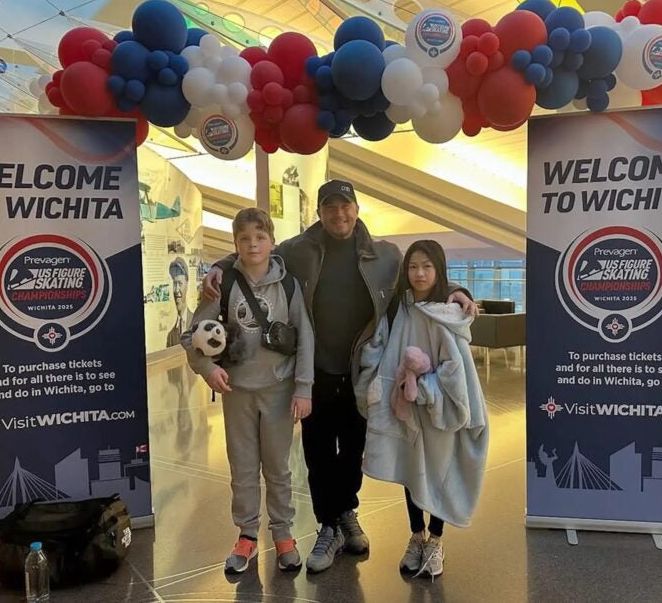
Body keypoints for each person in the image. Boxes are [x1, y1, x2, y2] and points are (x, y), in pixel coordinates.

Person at [204, 180, 478, 574]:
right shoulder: (298, 249)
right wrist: (220, 264)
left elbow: (419, 280)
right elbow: (255, 253)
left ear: (357, 208)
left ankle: (347, 513)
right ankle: (328, 525)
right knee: (316, 454)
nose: (339, 215)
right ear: (319, 211)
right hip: (313, 370)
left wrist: (459, 289)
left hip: (361, 371)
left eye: (345, 207)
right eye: (330, 208)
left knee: (352, 450)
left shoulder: (384, 254)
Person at [183, 208, 314, 574]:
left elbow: (306, 337)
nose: (252, 244)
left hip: (279, 389)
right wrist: (207, 368)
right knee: (242, 467)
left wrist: (303, 388)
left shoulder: (289, 286)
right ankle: (247, 535)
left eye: (260, 237)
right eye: (244, 238)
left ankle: (283, 532)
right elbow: (191, 334)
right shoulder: (221, 285)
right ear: (235, 243)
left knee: (277, 466)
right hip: (237, 392)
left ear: (272, 241)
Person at [355, 240, 489, 579]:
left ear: (439, 270)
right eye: (413, 266)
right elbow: (382, 340)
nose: (419, 273)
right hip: (404, 402)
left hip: (437, 407)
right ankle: (416, 536)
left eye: (427, 266)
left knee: (438, 469)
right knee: (411, 468)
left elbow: (455, 369)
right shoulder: (399, 306)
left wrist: (428, 389)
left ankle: (436, 539)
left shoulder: (448, 311)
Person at [167, 257, 194, 347]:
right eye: (174, 284)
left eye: (180, 283)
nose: (176, 290)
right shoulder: (170, 337)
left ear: (187, 284)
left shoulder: (198, 323)